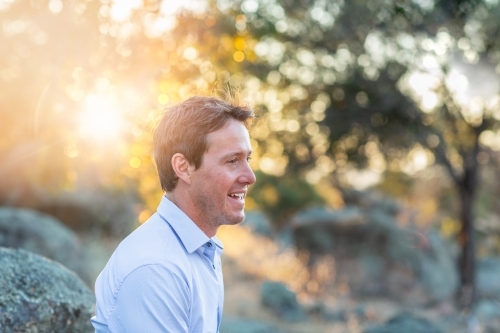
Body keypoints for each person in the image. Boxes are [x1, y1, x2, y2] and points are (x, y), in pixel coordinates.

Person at [91, 96, 256, 332]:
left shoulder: (203, 249)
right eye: (232, 161)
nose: (250, 176)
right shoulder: (155, 269)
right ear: (183, 168)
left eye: (247, 159)